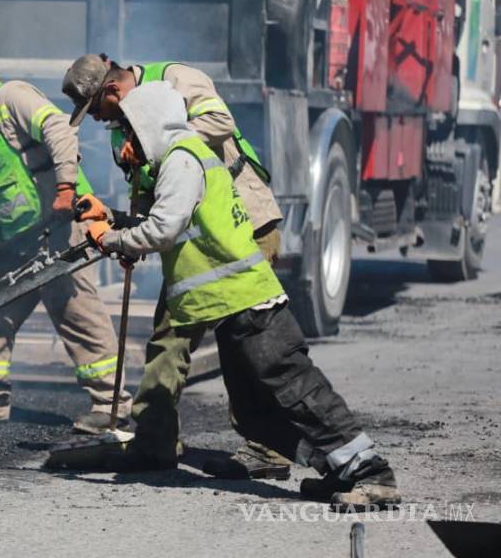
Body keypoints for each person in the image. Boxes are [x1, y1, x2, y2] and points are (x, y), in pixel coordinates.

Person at [73, 80, 399, 510]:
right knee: (255, 413)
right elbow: (173, 219)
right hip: (230, 304)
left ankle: (372, 474)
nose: (127, 140)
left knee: (295, 387)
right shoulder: (182, 158)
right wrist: (112, 217)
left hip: (248, 301)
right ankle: (337, 468)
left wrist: (110, 238)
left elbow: (164, 229)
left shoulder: (181, 159)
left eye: (131, 129)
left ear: (149, 122)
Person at [63, 54, 290, 479]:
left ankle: (269, 447)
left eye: (95, 109)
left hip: (244, 226)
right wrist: (120, 224)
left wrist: (160, 138)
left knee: (245, 342)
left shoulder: (177, 80)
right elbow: (157, 204)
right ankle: (154, 443)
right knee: (169, 334)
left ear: (112, 90)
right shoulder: (122, 131)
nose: (95, 119)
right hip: (196, 239)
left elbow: (219, 122)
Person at [0, 52, 131, 434]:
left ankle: (112, 403)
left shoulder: (9, 98)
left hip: (55, 230)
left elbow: (58, 128)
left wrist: (66, 188)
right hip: (17, 241)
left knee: (76, 314)